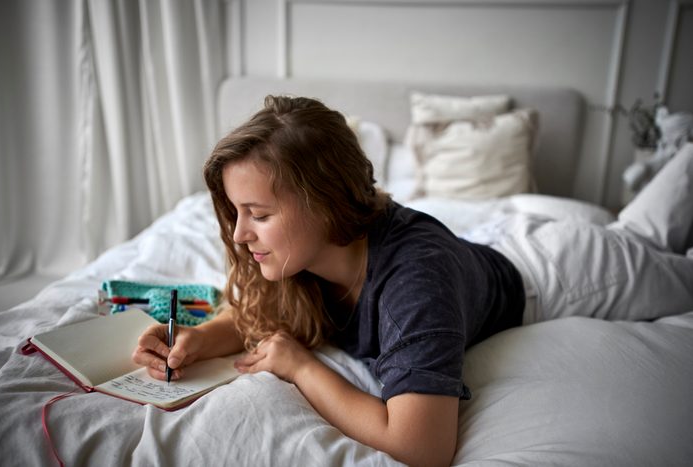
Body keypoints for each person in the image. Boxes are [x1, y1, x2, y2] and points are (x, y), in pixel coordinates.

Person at [131, 95, 693, 467]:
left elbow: (422, 446)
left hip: (565, 272)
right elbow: (264, 320)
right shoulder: (304, 258)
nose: (239, 236)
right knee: (648, 232)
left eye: (259, 214)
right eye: (237, 213)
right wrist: (198, 340)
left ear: (324, 204)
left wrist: (299, 365)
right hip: (490, 249)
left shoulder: (412, 283)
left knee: (665, 263)